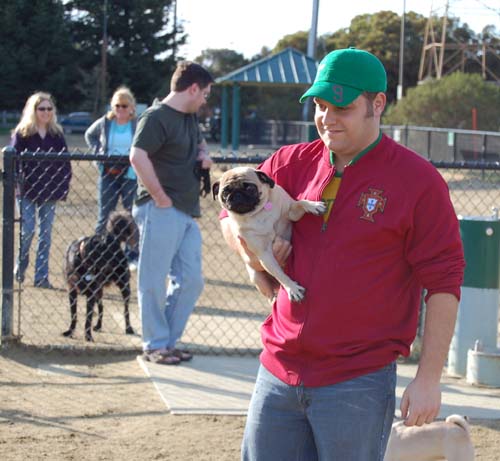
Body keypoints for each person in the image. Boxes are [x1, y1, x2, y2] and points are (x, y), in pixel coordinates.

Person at [220, 48, 465, 461]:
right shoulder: (288, 162)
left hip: (357, 379)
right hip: (278, 369)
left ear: (377, 104)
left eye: (342, 108)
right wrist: (253, 258)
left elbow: (444, 281)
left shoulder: (417, 180)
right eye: (319, 105)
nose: (326, 119)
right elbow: (229, 220)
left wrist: (429, 378)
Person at [130, 61, 214, 365]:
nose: (205, 99)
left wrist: (203, 153)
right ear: (192, 88)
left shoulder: (189, 118)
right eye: (204, 93)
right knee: (152, 280)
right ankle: (155, 344)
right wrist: (160, 197)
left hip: (186, 210)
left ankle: (167, 341)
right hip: (160, 208)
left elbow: (199, 142)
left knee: (191, 280)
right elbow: (137, 156)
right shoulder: (156, 117)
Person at [12, 91, 72, 289]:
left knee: (45, 234)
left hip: (50, 190)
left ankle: (41, 277)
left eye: (49, 108)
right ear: (34, 110)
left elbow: (65, 164)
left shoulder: (57, 134)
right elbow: (13, 161)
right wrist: (16, 186)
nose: (46, 112)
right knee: (28, 230)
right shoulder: (22, 133)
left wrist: (63, 186)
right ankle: (21, 265)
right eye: (42, 109)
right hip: (27, 190)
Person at [85, 86, 139, 267]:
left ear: (131, 107)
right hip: (108, 171)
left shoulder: (136, 124)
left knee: (132, 213)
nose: (121, 110)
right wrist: (98, 153)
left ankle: (132, 253)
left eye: (125, 106)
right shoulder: (105, 123)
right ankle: (99, 251)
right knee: (105, 213)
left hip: (130, 172)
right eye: (117, 105)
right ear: (112, 106)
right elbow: (89, 135)